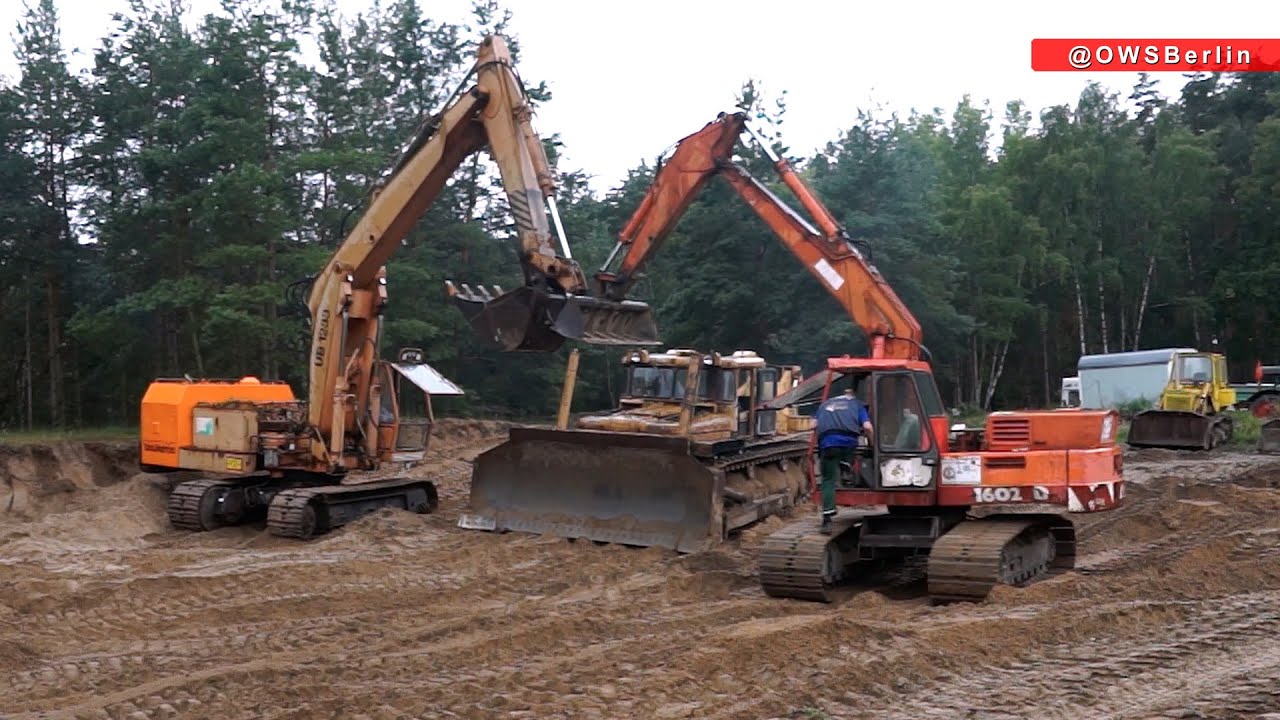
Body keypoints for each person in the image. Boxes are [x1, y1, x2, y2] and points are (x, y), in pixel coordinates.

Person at [814, 384, 873, 534]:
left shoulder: (825, 404)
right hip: (848, 443)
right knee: (848, 452)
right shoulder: (858, 405)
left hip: (827, 443)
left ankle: (827, 519)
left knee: (828, 480)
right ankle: (846, 467)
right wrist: (872, 444)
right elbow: (867, 426)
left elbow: (812, 425)